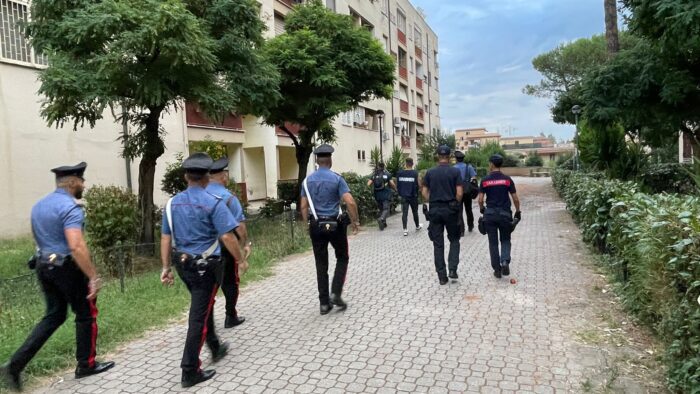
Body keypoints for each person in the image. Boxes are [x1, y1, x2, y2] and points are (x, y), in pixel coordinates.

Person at [0, 162, 114, 392]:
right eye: (82, 180)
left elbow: (39, 237)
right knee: (86, 313)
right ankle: (86, 364)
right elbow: (76, 246)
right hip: (66, 268)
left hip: (44, 265)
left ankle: (15, 364)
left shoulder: (39, 206)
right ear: (73, 182)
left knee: (54, 315)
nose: (84, 184)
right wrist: (93, 276)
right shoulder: (71, 208)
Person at [160, 153, 249, 388]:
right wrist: (240, 259)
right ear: (207, 177)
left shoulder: (171, 204)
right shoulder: (213, 202)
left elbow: (166, 237)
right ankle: (190, 369)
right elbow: (227, 236)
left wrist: (166, 267)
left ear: (186, 176)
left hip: (182, 264)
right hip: (206, 267)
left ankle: (215, 346)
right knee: (198, 315)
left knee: (203, 306)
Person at [301, 144, 361, 315]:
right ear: (330, 160)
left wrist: (307, 224)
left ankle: (324, 304)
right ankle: (336, 292)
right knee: (342, 257)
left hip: (316, 226)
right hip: (335, 225)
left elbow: (303, 206)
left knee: (321, 264)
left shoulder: (307, 181)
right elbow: (350, 201)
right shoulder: (337, 179)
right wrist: (355, 221)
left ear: (318, 161)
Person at [206, 157, 249, 329]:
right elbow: (239, 227)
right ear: (223, 177)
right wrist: (244, 245)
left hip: (203, 249)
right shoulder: (229, 198)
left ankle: (205, 322)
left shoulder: (200, 195)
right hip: (226, 248)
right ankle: (230, 316)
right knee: (231, 282)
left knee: (209, 287)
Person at [422, 146, 464, 285]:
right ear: (449, 156)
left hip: (435, 210)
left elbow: (424, 192)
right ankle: (452, 269)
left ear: (438, 156)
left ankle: (442, 276)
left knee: (438, 244)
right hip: (451, 210)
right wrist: (455, 204)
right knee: (454, 240)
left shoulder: (430, 172)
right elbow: (459, 193)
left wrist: (431, 200)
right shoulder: (455, 172)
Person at [478, 154, 521, 278]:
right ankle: (505, 261)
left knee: (493, 243)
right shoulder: (507, 179)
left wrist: (482, 209)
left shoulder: (485, 180)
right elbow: (515, 199)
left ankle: (497, 270)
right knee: (505, 239)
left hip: (490, 215)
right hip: (505, 214)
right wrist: (517, 211)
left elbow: (480, 200)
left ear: (491, 164)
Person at [453, 150, 478, 235]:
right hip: (467, 191)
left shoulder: (454, 168)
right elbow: (474, 178)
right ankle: (470, 226)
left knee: (459, 210)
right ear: (463, 159)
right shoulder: (469, 167)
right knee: (469, 209)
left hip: (457, 191)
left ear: (456, 159)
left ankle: (461, 230)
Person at [396, 157, 422, 236]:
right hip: (413, 196)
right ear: (412, 164)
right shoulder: (415, 173)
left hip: (403, 196)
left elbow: (398, 185)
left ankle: (405, 230)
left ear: (406, 163)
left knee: (404, 213)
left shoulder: (399, 173)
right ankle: (417, 226)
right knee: (415, 212)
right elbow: (420, 184)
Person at [367, 162, 396, 230]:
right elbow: (392, 184)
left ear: (378, 166)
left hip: (377, 195)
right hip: (385, 194)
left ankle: (384, 224)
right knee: (386, 209)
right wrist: (395, 189)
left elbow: (368, 184)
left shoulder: (374, 174)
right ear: (384, 167)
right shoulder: (387, 174)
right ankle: (382, 218)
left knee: (381, 209)